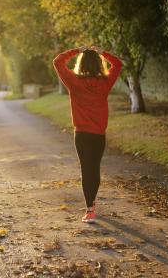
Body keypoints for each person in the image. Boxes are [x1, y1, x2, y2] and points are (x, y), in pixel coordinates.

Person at [52, 46, 122, 223]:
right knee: (95, 168)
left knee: (86, 169)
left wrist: (76, 50)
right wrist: (102, 52)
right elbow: (118, 64)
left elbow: (57, 61)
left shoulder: (74, 82)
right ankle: (92, 202)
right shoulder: (105, 83)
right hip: (98, 134)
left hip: (82, 134)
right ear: (99, 64)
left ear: (80, 63)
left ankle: (89, 209)